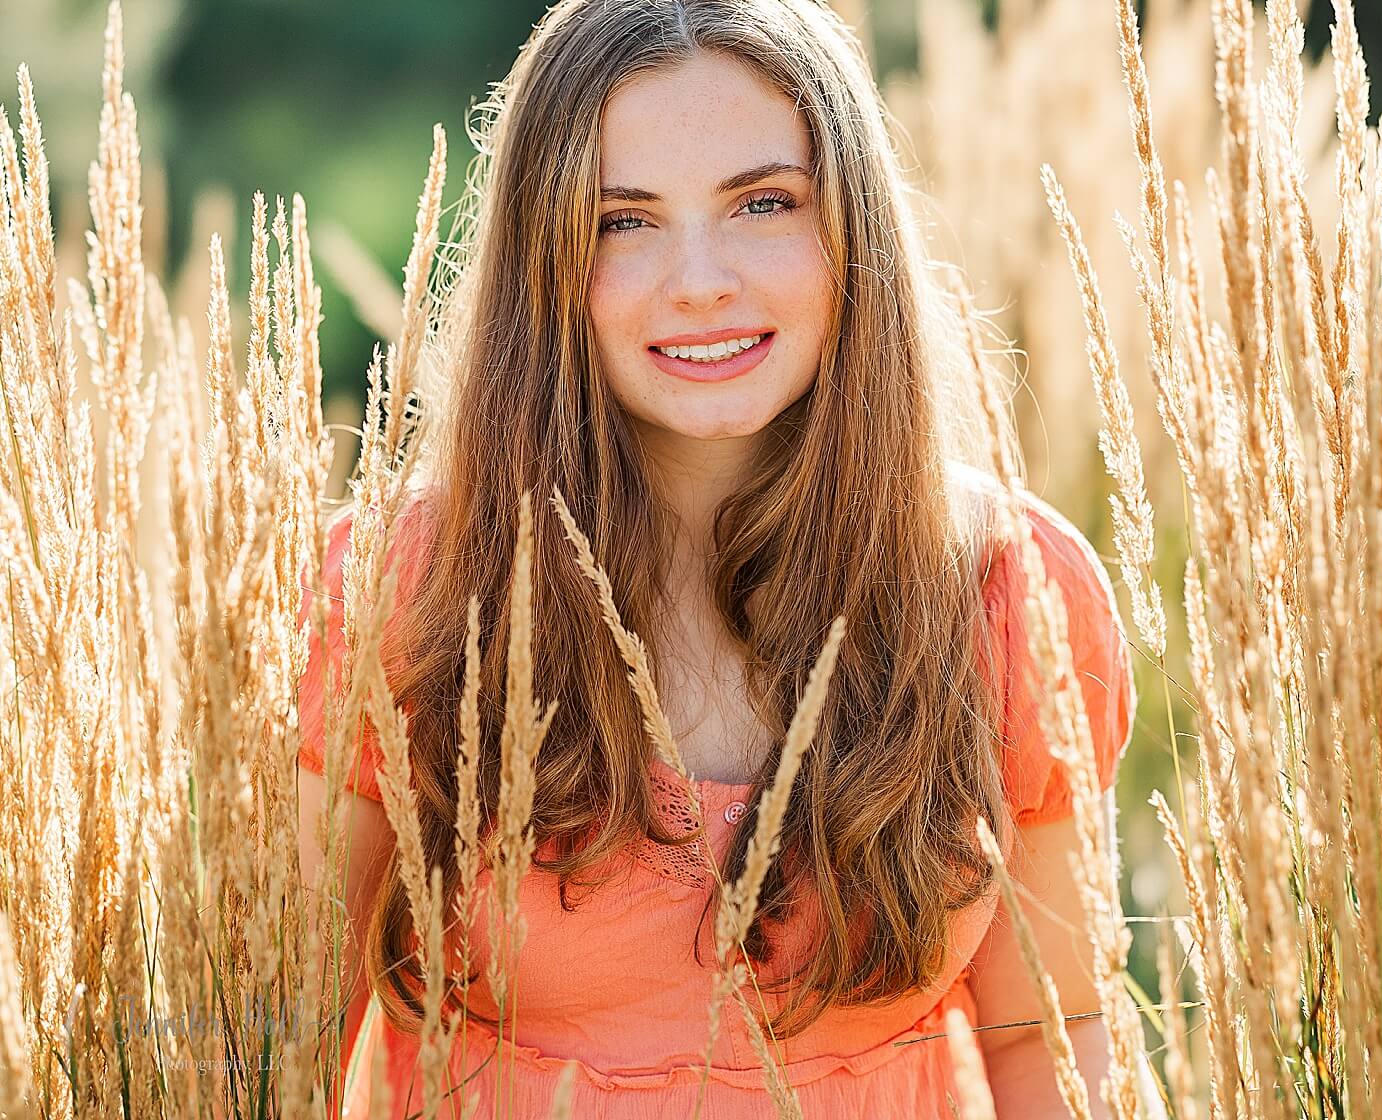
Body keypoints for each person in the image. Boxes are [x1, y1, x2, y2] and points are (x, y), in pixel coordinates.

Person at [296, 0, 1143, 1116]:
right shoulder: (401, 592)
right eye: (622, 221)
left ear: (852, 232)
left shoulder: (1003, 590)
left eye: (762, 202)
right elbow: (270, 1037)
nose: (699, 279)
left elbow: (1054, 1036)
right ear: (544, 263)